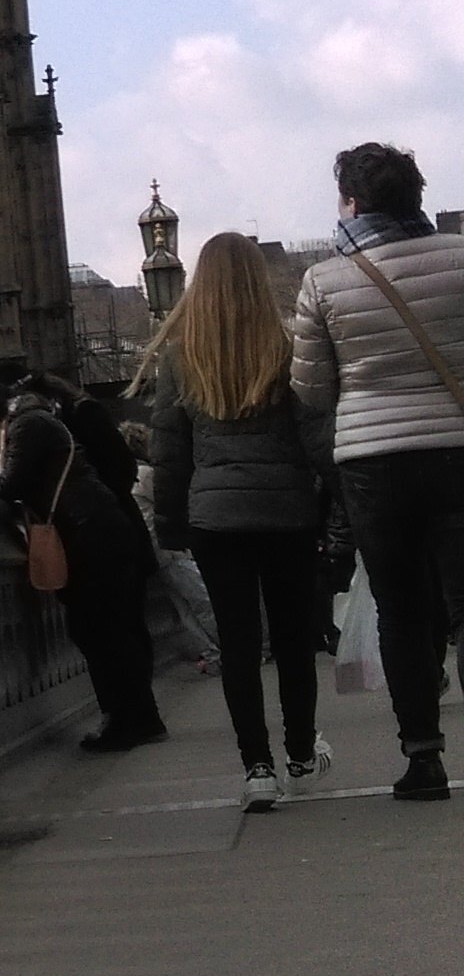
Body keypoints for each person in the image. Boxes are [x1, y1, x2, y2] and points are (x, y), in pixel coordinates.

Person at [291, 142, 464, 804]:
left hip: (373, 461)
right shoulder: (459, 257)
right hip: (456, 448)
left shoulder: (324, 281)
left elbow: (312, 390)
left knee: (401, 611)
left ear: (352, 202)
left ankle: (423, 759)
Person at [148, 232, 332, 810]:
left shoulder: (181, 359)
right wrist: (332, 510)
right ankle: (300, 753)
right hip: (287, 514)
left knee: (239, 643)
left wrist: (171, 524)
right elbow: (316, 441)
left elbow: (169, 454)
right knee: (294, 641)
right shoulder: (286, 349)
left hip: (215, 518)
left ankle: (257, 768)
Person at [0, 359, 165, 754]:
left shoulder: (28, 424)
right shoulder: (39, 418)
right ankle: (133, 718)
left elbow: (9, 487)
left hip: (92, 534)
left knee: (102, 630)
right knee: (105, 629)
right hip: (95, 530)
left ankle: (131, 720)